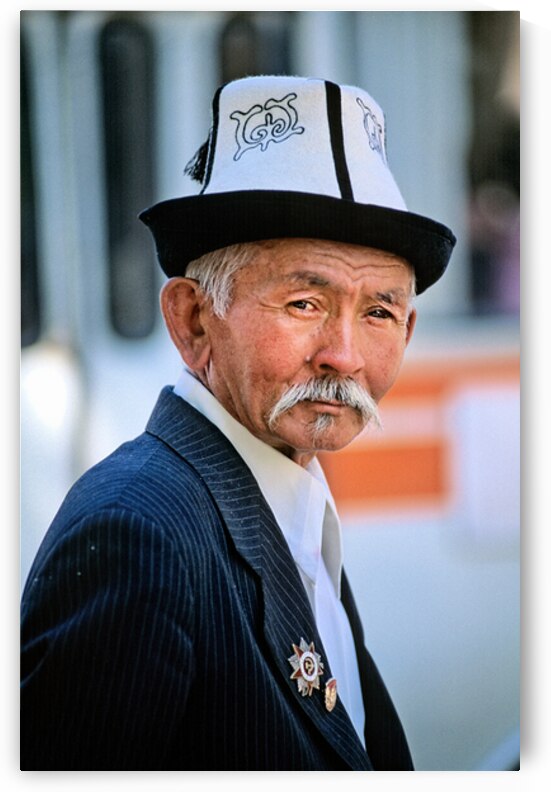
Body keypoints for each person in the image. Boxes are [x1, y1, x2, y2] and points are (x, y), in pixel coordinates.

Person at [20, 75, 455, 770]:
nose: (342, 355)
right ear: (193, 320)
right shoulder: (140, 533)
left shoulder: (289, 506)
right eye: (304, 303)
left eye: (377, 312)